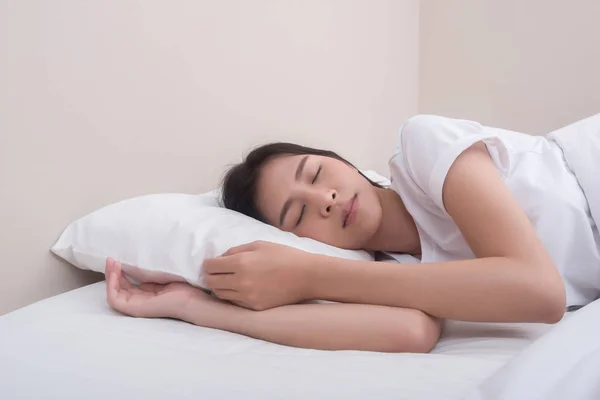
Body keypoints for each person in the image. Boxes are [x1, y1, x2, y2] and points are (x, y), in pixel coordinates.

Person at [105, 114, 600, 353]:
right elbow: (410, 332)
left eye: (317, 174)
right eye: (299, 217)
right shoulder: (389, 272)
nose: (326, 200)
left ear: (341, 162)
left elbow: (539, 291)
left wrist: (312, 276)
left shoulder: (425, 148)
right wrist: (194, 307)